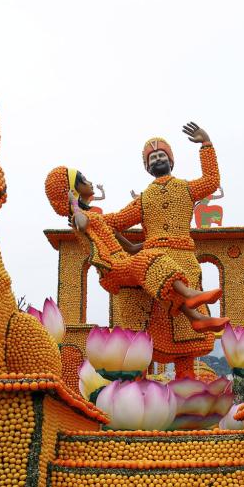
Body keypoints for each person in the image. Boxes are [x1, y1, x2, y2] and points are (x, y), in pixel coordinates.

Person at [102, 122, 222, 378]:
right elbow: (116, 221)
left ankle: (186, 386)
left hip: (185, 261)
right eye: (152, 157)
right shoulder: (143, 200)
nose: (157, 159)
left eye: (161, 155)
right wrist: (88, 216)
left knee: (184, 338)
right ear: (147, 167)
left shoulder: (187, 189)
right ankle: (139, 388)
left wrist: (206, 144)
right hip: (152, 262)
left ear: (171, 161)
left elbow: (212, 181)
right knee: (146, 328)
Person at [45, 166, 228, 333]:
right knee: (149, 258)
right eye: (83, 179)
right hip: (112, 268)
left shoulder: (93, 216)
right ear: (73, 190)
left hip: (122, 261)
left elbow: (123, 241)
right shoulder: (78, 217)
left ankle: (197, 318)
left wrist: (144, 245)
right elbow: (82, 224)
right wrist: (73, 204)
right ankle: (189, 294)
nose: (89, 182)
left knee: (161, 282)